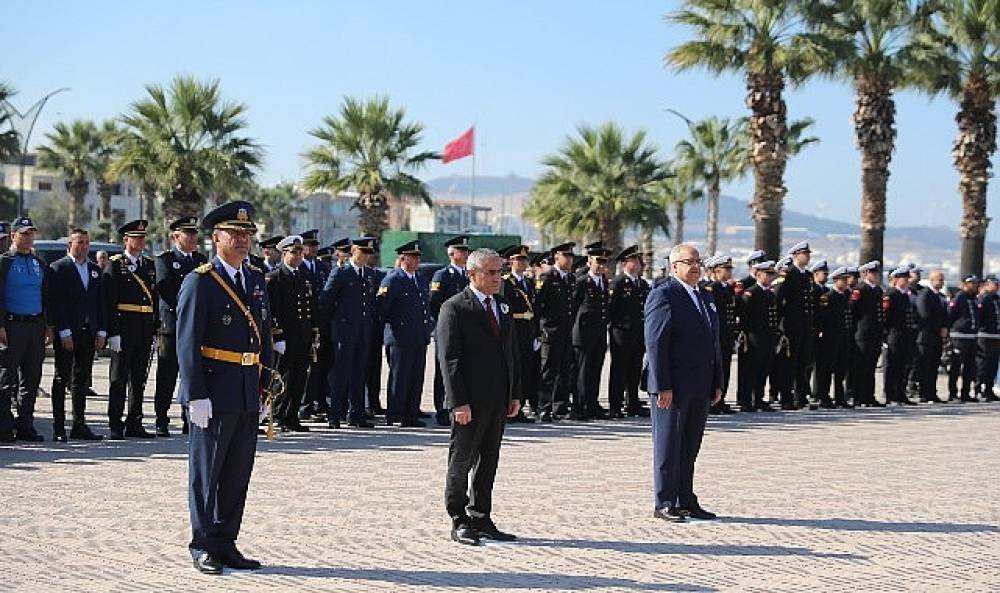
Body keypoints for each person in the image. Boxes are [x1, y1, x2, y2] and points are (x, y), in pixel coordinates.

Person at [177, 200, 272, 575]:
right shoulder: (201, 280)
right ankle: (202, 543)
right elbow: (187, 343)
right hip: (214, 392)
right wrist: (194, 394)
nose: (243, 240)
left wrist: (265, 389)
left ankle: (226, 540)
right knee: (207, 472)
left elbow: (262, 335)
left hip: (248, 390)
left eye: (247, 234)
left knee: (236, 473)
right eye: (235, 233)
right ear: (216, 238)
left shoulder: (255, 279)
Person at [438, 248, 521, 546]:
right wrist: (458, 402)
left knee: (489, 461)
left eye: (500, 271)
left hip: (498, 399)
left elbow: (511, 353)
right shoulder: (455, 307)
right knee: (462, 460)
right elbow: (450, 360)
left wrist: (515, 393)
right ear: (471, 274)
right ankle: (459, 518)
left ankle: (481, 515)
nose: (498, 278)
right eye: (491, 272)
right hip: (469, 402)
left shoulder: (502, 305)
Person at [646, 244, 722, 523]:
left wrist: (717, 381)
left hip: (700, 384)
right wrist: (661, 384)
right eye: (687, 261)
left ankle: (685, 499)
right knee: (668, 444)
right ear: (673, 266)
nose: (694, 266)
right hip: (673, 386)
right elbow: (656, 342)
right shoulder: (664, 294)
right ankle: (665, 500)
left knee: (690, 445)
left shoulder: (704, 296)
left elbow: (714, 344)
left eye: (697, 261)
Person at [49, 228, 106, 442]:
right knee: (61, 378)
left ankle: (79, 424)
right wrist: (63, 331)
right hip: (67, 332)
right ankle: (58, 427)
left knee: (81, 380)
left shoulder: (94, 270)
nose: (83, 246)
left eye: (86, 242)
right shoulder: (58, 268)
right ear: (69, 245)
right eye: (79, 242)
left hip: (87, 333)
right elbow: (57, 303)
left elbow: (100, 302)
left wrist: (101, 330)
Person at [104, 219, 159, 439]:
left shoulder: (148, 265)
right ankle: (115, 423)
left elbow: (153, 298)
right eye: (136, 237)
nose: (140, 241)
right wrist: (113, 332)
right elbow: (109, 301)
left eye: (143, 237)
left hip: (144, 328)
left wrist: (154, 326)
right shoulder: (116, 265)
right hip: (124, 327)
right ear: (126, 240)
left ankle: (134, 421)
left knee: (139, 378)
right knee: (118, 378)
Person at [154, 216, 208, 437]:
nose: (194, 238)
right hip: (173, 327)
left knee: (192, 373)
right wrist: (188, 309)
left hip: (197, 329)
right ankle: (161, 418)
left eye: (195, 233)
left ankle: (188, 418)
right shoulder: (165, 260)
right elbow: (165, 288)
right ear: (176, 236)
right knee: (167, 375)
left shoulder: (201, 260)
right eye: (189, 233)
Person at [0, 216, 51, 442]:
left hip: (35, 326)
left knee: (31, 380)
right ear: (13, 236)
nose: (29, 237)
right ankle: (4, 426)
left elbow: (46, 295)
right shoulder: (4, 261)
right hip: (12, 325)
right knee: (6, 379)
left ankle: (25, 425)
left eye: (31, 233)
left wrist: (48, 325)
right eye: (24, 233)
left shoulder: (38, 262)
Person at [320, 236, 378, 429]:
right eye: (363, 252)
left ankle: (356, 414)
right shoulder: (341, 273)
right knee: (340, 374)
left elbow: (369, 303)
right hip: (344, 332)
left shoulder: (368, 274)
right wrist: (332, 327)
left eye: (369, 253)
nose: (366, 256)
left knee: (359, 374)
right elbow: (326, 302)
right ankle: (335, 414)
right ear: (353, 250)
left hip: (362, 331)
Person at [377, 240, 434, 427]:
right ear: (403, 258)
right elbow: (382, 309)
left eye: (418, 257)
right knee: (399, 377)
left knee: (416, 377)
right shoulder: (393, 279)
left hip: (419, 336)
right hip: (400, 337)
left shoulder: (420, 279)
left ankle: (411, 412)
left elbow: (425, 307)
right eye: (413, 256)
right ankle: (395, 413)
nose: (417, 260)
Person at [265, 235, 315, 432]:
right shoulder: (276, 278)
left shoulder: (303, 277)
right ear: (284, 253)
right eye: (294, 252)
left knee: (300, 378)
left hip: (302, 337)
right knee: (284, 377)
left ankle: (292, 416)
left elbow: (311, 309)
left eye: (300, 252)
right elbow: (272, 310)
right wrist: (277, 336)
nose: (298, 256)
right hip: (285, 337)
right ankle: (279, 415)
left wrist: (313, 334)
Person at [429, 235, 471, 426]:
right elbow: (434, 303)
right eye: (461, 251)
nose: (465, 254)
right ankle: (442, 408)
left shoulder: (469, 275)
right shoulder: (442, 275)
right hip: (447, 329)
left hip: (466, 330)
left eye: (466, 251)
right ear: (452, 254)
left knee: (464, 367)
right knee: (444, 368)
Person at [534, 243, 577, 422]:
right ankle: (543, 407)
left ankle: (560, 406)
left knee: (564, 370)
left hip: (567, 331)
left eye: (571, 256)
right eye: (565, 256)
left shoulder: (570, 279)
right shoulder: (547, 277)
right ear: (556, 257)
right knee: (549, 370)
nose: (569, 260)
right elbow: (538, 306)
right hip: (550, 332)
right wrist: (540, 331)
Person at [608, 245, 652, 418]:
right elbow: (611, 309)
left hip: (638, 333)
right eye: (635, 260)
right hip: (621, 333)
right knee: (619, 369)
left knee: (634, 369)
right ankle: (615, 405)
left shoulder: (641, 283)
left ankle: (632, 403)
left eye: (639, 260)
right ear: (626, 263)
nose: (639, 263)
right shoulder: (618, 282)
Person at [571, 242, 611, 420]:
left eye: (604, 262)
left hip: (599, 334)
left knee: (595, 371)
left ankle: (592, 403)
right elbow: (573, 307)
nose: (601, 265)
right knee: (583, 372)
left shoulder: (603, 282)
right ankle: (580, 406)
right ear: (589, 262)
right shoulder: (582, 282)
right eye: (598, 261)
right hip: (583, 334)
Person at [498, 244, 539, 422]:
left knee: (526, 370)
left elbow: (534, 309)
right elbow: (504, 309)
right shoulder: (506, 282)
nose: (523, 263)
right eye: (519, 259)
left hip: (527, 331)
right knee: (513, 370)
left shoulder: (528, 282)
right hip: (514, 330)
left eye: (525, 259)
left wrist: (536, 333)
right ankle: (508, 408)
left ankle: (520, 407)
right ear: (511, 261)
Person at [774, 242, 816, 410]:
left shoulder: (808, 275)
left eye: (808, 253)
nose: (807, 256)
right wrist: (780, 326)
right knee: (789, 364)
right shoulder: (788, 273)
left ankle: (800, 397)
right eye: (804, 254)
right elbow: (778, 298)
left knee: (802, 363)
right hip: (791, 325)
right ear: (796, 255)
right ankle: (786, 398)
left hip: (805, 325)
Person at [298, 229, 332, 422]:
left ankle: (318, 402)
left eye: (315, 245)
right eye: (310, 245)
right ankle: (304, 405)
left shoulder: (322, 267)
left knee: (320, 366)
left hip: (322, 324)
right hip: (304, 324)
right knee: (305, 368)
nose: (313, 248)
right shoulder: (297, 267)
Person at [738, 260, 780, 413]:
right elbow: (744, 315)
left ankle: (759, 399)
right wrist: (744, 335)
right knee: (751, 370)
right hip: (754, 338)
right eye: (767, 275)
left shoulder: (769, 293)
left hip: (768, 337)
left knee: (763, 369)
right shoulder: (751, 292)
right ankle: (746, 400)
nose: (770, 278)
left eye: (771, 275)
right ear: (759, 275)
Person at [813, 267, 853, 408]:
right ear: (836, 281)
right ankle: (823, 396)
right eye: (843, 279)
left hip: (843, 338)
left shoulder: (845, 296)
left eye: (847, 279)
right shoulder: (828, 297)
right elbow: (820, 319)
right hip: (829, 339)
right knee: (826, 369)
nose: (846, 282)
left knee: (840, 370)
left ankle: (840, 397)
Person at [703, 255, 738, 415]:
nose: (729, 272)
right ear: (716, 271)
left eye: (730, 269)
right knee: (715, 368)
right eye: (726, 269)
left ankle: (721, 400)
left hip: (727, 335)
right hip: (717, 334)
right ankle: (712, 401)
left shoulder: (728, 288)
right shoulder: (712, 288)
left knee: (725, 368)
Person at [851, 261, 886, 407]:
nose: (877, 276)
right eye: (874, 273)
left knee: (871, 366)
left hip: (875, 334)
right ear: (866, 274)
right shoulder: (860, 289)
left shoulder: (878, 291)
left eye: (878, 273)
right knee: (861, 366)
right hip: (863, 334)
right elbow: (854, 311)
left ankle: (869, 395)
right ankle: (858, 396)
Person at [884, 267, 918, 405]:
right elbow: (885, 317)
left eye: (907, 278)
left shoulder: (905, 294)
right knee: (892, 366)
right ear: (896, 279)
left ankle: (900, 393)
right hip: (894, 334)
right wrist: (885, 336)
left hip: (906, 335)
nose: (906, 281)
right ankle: (891, 394)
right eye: (904, 278)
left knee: (903, 365)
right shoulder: (891, 294)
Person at [915, 270, 949, 403]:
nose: (941, 283)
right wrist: (939, 328)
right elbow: (924, 315)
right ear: (932, 280)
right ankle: (924, 393)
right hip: (926, 336)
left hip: (936, 337)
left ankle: (932, 392)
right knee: (925, 366)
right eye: (939, 280)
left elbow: (944, 315)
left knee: (934, 365)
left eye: (942, 280)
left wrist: (945, 328)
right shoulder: (925, 295)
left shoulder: (940, 296)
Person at [948, 275, 981, 403]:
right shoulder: (959, 297)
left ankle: (965, 392)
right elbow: (951, 314)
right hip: (959, 337)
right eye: (970, 283)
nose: (973, 286)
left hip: (972, 337)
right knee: (956, 365)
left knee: (970, 367)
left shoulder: (974, 299)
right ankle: (953, 393)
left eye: (974, 283)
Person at [976, 276, 1000, 401]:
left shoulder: (996, 299)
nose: (996, 286)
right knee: (983, 364)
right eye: (994, 284)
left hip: (996, 336)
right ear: (987, 284)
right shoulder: (983, 299)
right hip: (984, 336)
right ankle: (978, 388)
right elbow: (978, 317)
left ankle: (989, 390)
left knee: (993, 364)